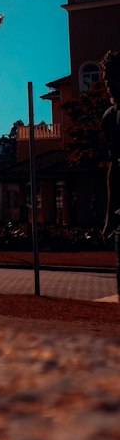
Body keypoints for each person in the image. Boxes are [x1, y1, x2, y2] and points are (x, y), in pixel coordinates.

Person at [101, 50, 120, 299]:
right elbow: (114, 167)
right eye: (106, 78)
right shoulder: (110, 117)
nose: (109, 83)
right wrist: (109, 217)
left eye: (114, 76)